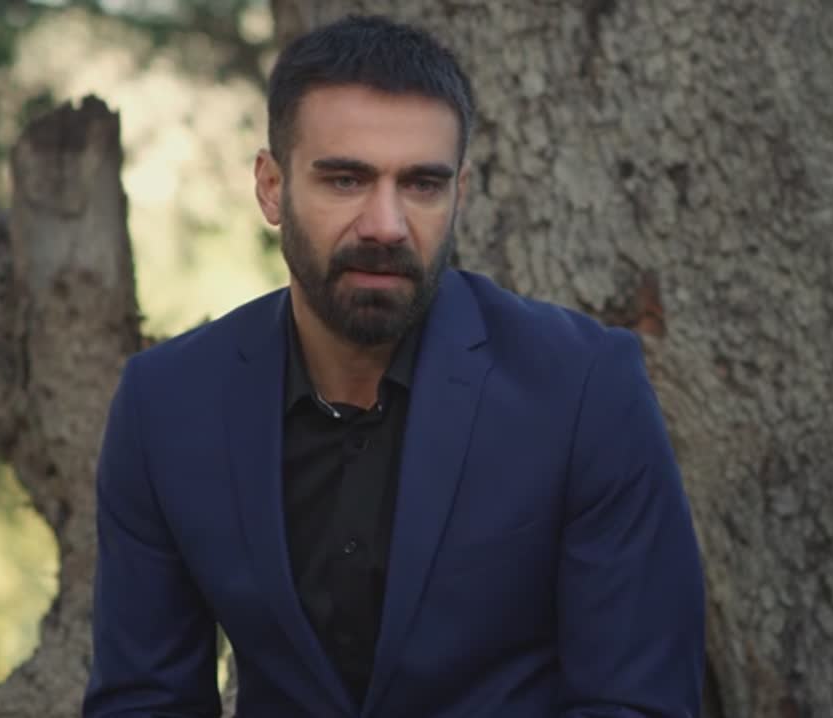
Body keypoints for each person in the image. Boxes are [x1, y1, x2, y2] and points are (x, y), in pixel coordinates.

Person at [83, 14, 705, 718]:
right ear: (271, 186)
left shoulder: (585, 389)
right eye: (346, 180)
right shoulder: (165, 405)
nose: (385, 224)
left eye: (421, 185)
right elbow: (143, 702)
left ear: (459, 193)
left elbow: (636, 701)